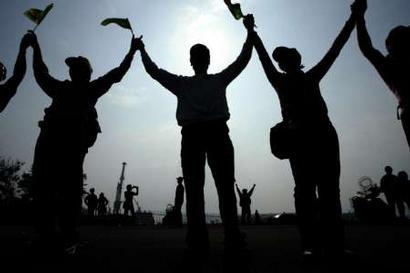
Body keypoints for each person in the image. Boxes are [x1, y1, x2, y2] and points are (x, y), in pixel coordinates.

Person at [135, 15, 255, 256]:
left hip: (193, 136)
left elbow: (154, 71)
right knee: (223, 188)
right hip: (217, 134)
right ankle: (231, 236)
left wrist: (141, 50)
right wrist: (249, 32)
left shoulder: (183, 84)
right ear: (207, 60)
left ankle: (199, 240)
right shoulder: (218, 80)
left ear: (192, 61)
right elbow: (243, 60)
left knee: (195, 190)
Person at [251, 2, 357, 258]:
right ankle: (315, 244)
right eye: (282, 59)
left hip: (318, 137)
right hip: (307, 139)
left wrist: (354, 18)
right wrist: (252, 32)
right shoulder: (293, 79)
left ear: (294, 61)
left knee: (323, 192)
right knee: (312, 193)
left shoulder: (301, 78)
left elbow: (337, 47)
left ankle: (326, 245)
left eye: (285, 58)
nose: (282, 62)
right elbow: (336, 47)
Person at [27, 31, 139, 252]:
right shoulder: (64, 89)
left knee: (65, 191)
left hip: (69, 149)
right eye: (72, 68)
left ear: (85, 73)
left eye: (77, 68)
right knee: (46, 190)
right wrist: (36, 46)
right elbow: (41, 73)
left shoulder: (88, 90)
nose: (72, 71)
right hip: (51, 148)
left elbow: (117, 73)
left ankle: (65, 235)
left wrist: (131, 52)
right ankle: (49, 234)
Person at [354, 0, 410, 150]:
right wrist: (359, 17)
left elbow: (367, 48)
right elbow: (367, 48)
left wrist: (359, 16)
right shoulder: (391, 66)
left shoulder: (390, 66)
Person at [0, 34, 30, 113]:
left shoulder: (3, 91)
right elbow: (18, 75)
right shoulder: (3, 91)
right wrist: (23, 49)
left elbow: (18, 74)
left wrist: (23, 49)